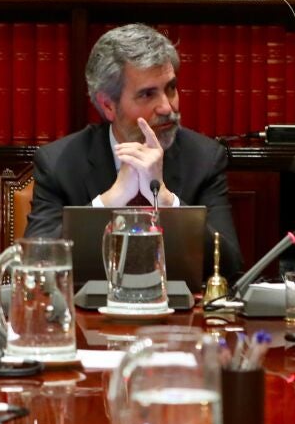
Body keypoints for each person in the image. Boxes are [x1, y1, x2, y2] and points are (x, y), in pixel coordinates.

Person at [25, 22, 245, 274]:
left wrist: (166, 200)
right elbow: (34, 265)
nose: (167, 107)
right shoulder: (59, 163)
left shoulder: (204, 159)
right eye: (147, 94)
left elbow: (229, 268)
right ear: (108, 105)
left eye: (171, 88)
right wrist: (111, 200)